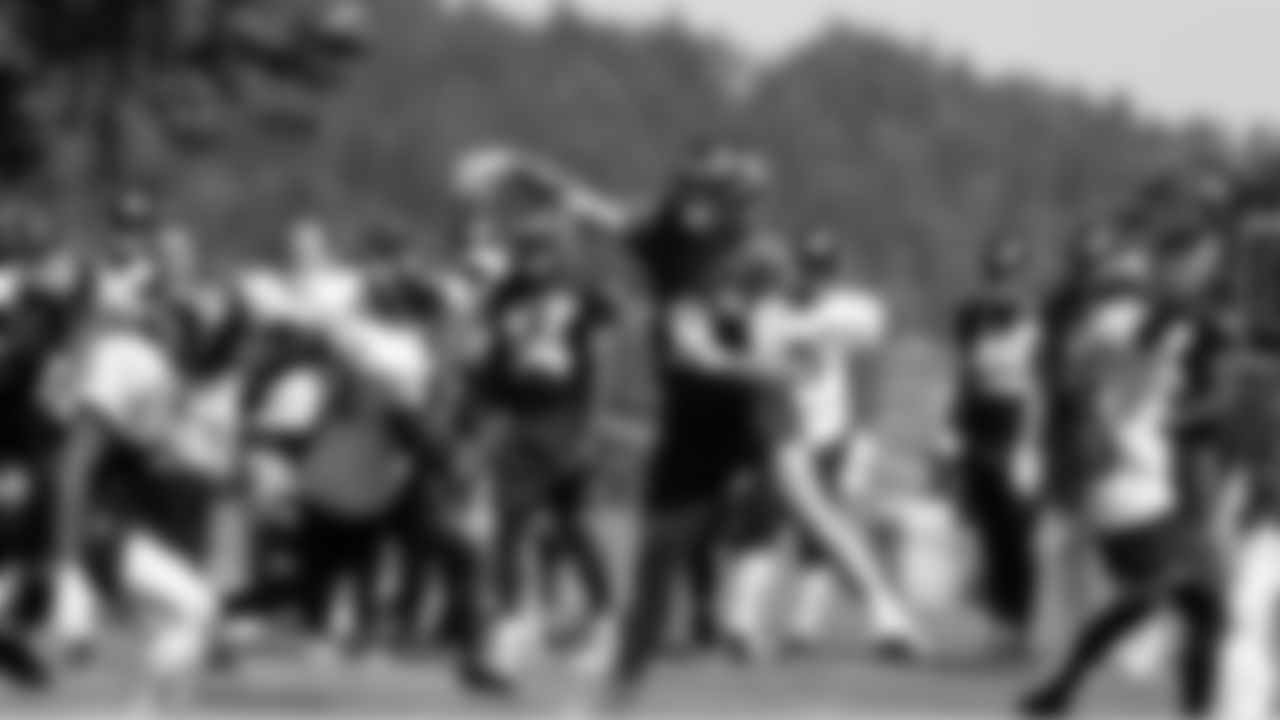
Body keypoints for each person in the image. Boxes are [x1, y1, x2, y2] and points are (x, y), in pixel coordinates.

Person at [1019, 255, 1223, 718]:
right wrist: (1190, 281)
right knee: (1178, 599)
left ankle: (1062, 689)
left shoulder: (1094, 334)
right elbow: (1153, 330)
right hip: (1131, 493)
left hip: (1130, 490)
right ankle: (1066, 686)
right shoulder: (1118, 329)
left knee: (1187, 603)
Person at [467, 213, 618, 683]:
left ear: (560, 255)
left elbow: (601, 361)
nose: (533, 259)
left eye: (543, 250)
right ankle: (513, 632)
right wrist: (482, 409)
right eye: (526, 249)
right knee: (518, 526)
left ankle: (599, 624)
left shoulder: (583, 298)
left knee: (562, 527)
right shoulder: (504, 296)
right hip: (519, 420)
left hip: (564, 418)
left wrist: (592, 427)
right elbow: (490, 359)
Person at [951, 238, 1044, 656]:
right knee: (990, 533)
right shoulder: (973, 321)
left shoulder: (1037, 328)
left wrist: (1030, 446)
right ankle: (998, 622)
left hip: (1020, 431)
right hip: (981, 431)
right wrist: (953, 432)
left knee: (1018, 535)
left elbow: (1043, 390)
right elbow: (965, 378)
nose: (1002, 283)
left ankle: (1020, 624)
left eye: (1009, 274)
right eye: (996, 273)